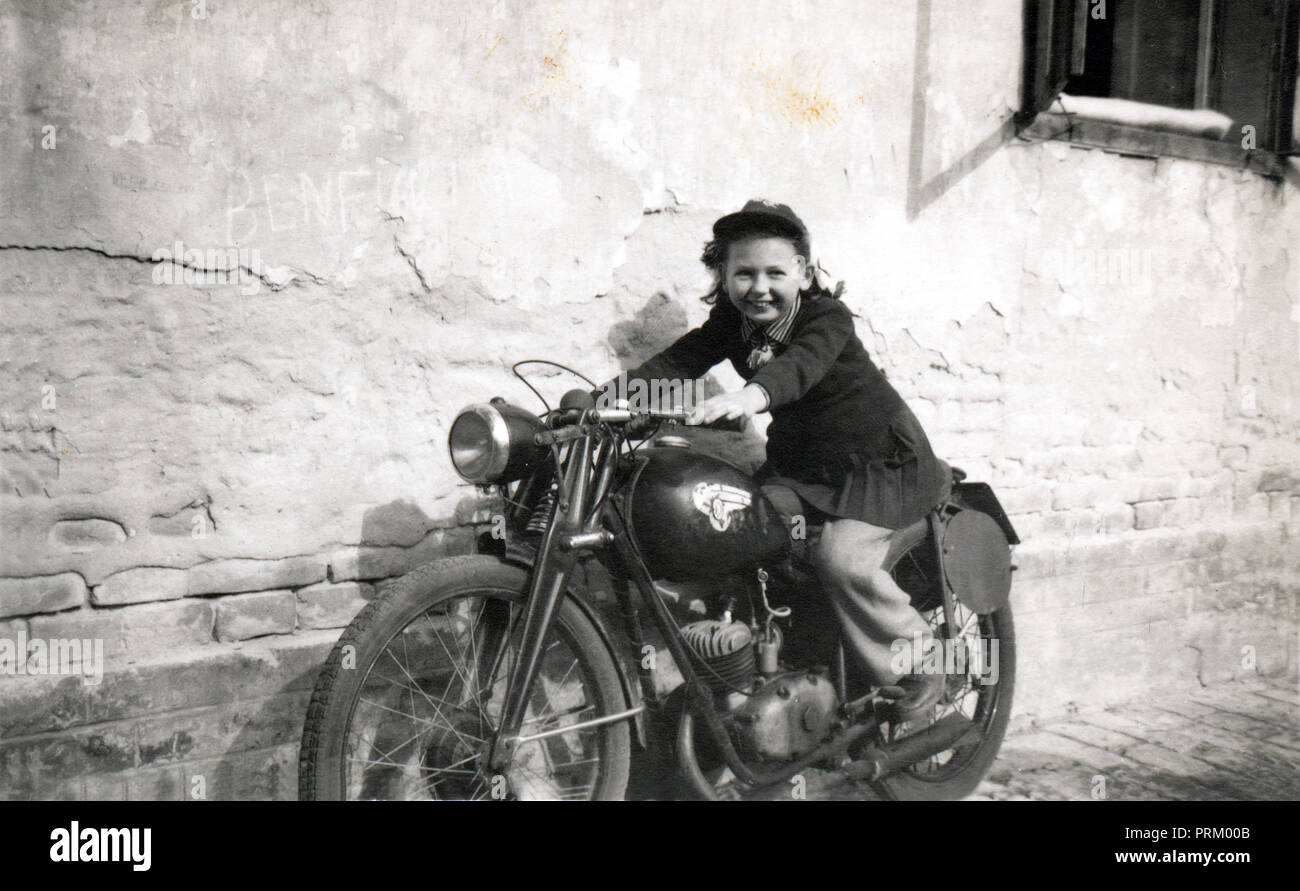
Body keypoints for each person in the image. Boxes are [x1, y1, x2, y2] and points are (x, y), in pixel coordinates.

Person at [599, 199, 949, 720]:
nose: (758, 287)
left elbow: (801, 367)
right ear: (724, 276)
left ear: (804, 274)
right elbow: (680, 360)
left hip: (880, 464)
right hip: (805, 468)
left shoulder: (827, 318)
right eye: (743, 273)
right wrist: (606, 400)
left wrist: (751, 397)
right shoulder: (732, 323)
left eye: (775, 272)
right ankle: (765, 669)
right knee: (741, 533)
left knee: (842, 560)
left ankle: (923, 666)